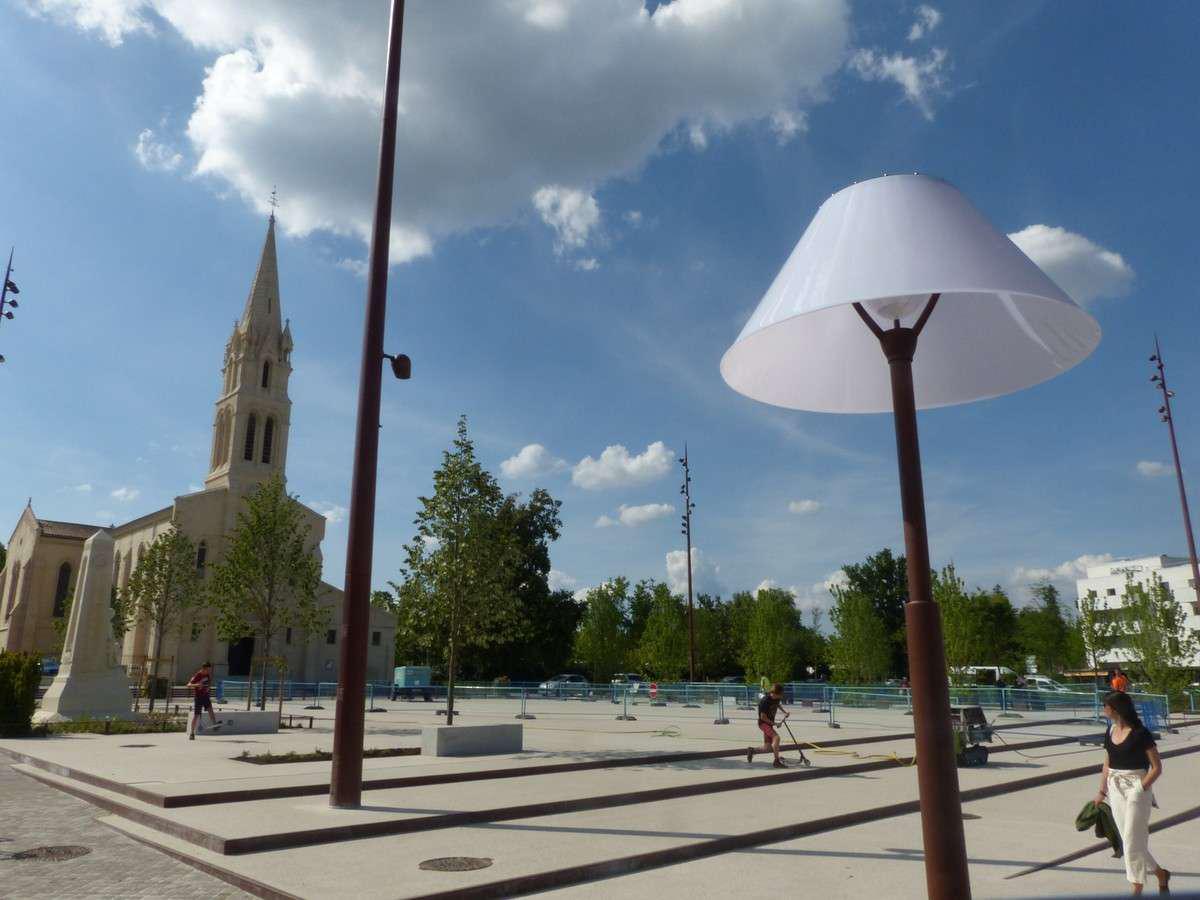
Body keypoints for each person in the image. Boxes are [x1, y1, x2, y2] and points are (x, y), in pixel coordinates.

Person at [1094, 690, 1169, 895]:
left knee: (1131, 838)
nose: (1103, 709)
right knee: (1130, 840)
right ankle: (1160, 874)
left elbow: (1156, 767)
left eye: (1105, 706)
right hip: (1115, 786)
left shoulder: (1140, 733)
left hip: (1137, 786)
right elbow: (1107, 763)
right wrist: (1102, 790)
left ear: (1115, 709)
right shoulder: (1110, 731)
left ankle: (1136, 887)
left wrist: (1139, 789)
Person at [747, 682, 788, 768]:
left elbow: (777, 704)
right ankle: (776, 761)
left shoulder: (776, 698)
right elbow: (763, 717)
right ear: (775, 693)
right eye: (780, 695)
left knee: (767, 747)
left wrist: (784, 712)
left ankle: (752, 750)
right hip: (763, 723)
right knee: (776, 738)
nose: (781, 696)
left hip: (769, 724)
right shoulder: (764, 701)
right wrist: (775, 724)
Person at [187, 661, 221, 740]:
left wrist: (208, 687)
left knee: (210, 710)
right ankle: (192, 733)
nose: (209, 671)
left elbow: (208, 683)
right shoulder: (198, 675)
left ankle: (214, 725)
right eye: (208, 670)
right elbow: (188, 685)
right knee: (196, 715)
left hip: (205, 696)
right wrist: (197, 685)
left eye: (209, 670)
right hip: (198, 698)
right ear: (203, 669)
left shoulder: (207, 675)